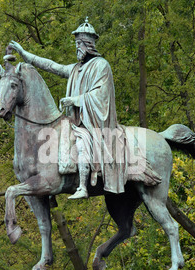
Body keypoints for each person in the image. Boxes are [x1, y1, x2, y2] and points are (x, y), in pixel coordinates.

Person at [10, 17, 127, 199]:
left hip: (93, 123)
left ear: (89, 44)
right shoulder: (75, 69)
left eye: (79, 43)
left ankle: (82, 187)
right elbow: (52, 66)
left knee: (81, 143)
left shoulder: (101, 66)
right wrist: (26, 54)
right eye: (76, 43)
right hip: (75, 121)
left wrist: (75, 100)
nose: (77, 47)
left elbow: (101, 96)